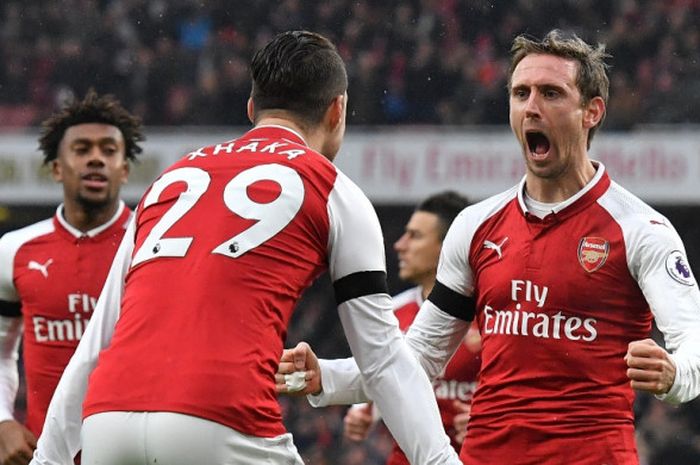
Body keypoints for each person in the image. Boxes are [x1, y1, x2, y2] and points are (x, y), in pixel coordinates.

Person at [28, 31, 461, 465]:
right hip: (222, 418)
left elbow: (95, 344)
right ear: (337, 110)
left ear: (252, 108)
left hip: (107, 420)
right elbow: (384, 360)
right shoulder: (334, 190)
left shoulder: (169, 182)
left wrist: (46, 460)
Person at [276, 29, 700, 465]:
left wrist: (673, 376)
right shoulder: (476, 227)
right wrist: (325, 375)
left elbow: (694, 342)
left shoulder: (641, 230)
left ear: (592, 111)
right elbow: (418, 358)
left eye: (551, 93)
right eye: (521, 93)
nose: (532, 107)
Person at [0, 90, 144, 465]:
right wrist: (2, 421)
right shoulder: (15, 249)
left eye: (109, 151)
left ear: (125, 169)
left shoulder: (152, 244)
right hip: (43, 454)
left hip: (135, 453)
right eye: (82, 149)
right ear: (57, 168)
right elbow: (0, 351)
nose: (96, 158)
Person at [342, 191, 480, 464]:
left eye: (415, 236)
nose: (400, 245)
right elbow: (381, 376)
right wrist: (361, 411)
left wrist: (487, 418)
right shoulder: (392, 313)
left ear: (448, 246)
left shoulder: (489, 316)